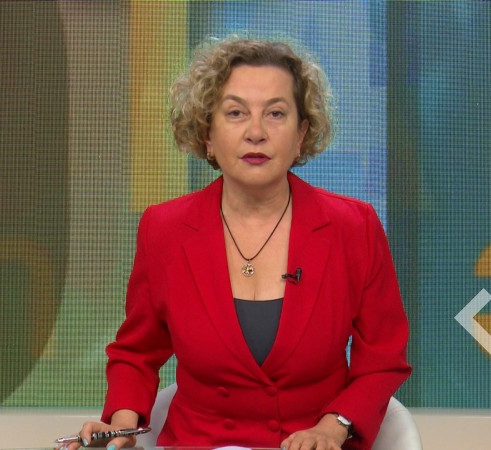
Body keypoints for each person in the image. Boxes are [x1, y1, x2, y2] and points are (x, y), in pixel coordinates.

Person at [62, 36, 410, 450]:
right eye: (235, 113)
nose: (256, 133)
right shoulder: (164, 229)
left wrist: (332, 427)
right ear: (207, 133)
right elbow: (137, 352)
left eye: (276, 114)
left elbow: (383, 360)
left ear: (301, 133)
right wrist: (120, 426)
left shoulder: (354, 227)